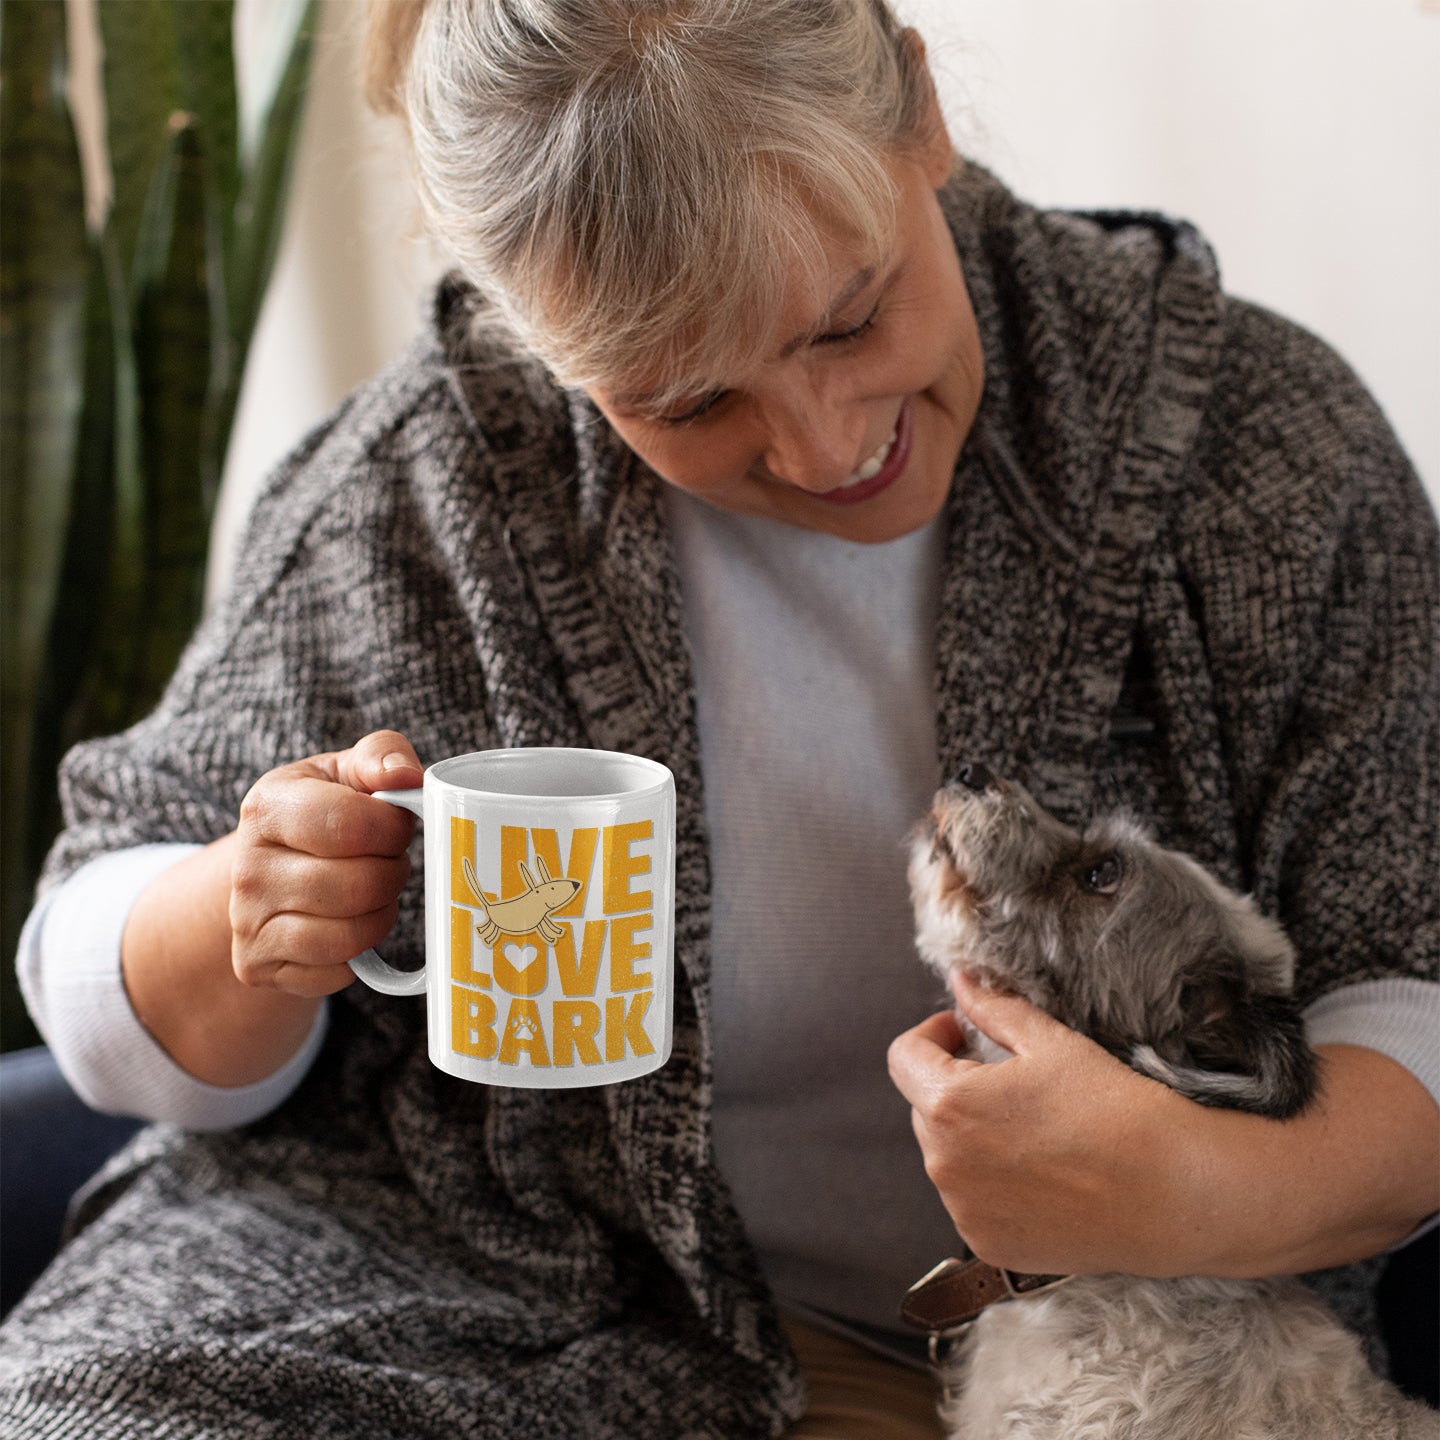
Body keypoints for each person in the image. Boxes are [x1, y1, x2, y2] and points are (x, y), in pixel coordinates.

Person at [3, 2, 1436, 1436]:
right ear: (546, 349)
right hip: (456, 1309)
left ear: (918, 110)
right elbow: (93, 969)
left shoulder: (1255, 451)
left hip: (1129, 1359)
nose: (826, 447)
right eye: (685, 398)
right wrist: (242, 914)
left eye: (852, 316)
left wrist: (1202, 1197)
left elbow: (1414, 969)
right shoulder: (413, 503)